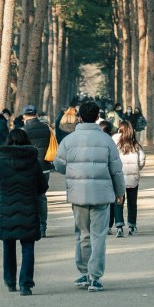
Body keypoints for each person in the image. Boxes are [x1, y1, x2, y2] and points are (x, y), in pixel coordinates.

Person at [53, 98, 125, 293]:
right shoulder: (106, 140)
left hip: (78, 194)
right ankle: (95, 277)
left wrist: (73, 171)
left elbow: (58, 165)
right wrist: (120, 193)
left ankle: (83, 272)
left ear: (79, 117)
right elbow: (116, 170)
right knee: (98, 236)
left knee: (83, 234)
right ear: (97, 117)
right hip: (102, 195)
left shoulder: (68, 140)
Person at [0, 127, 48, 295]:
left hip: (7, 209)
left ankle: (10, 281)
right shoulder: (34, 161)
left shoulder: (0, 161)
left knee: (8, 246)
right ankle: (26, 284)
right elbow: (42, 187)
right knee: (28, 247)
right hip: (29, 209)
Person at [22, 104, 52, 237]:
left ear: (24, 116)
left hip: (29, 168)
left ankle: (31, 225)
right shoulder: (46, 129)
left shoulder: (23, 130)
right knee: (42, 197)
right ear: (36, 115)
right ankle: (42, 226)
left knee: (28, 196)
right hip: (44, 167)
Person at [112, 120, 145, 236]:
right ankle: (132, 225)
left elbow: (111, 159)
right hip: (133, 178)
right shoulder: (135, 145)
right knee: (132, 202)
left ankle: (119, 226)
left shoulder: (115, 143)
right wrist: (136, 169)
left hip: (118, 177)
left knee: (118, 201)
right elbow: (141, 161)